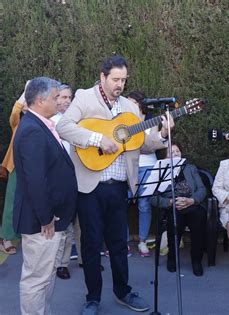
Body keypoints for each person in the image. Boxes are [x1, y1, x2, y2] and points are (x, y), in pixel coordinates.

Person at [56, 55, 173, 314]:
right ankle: (93, 298)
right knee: (91, 242)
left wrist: (163, 134)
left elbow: (140, 142)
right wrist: (97, 139)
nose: (120, 84)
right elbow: (65, 126)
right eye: (116, 79)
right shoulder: (84, 98)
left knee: (119, 244)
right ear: (103, 77)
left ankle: (123, 291)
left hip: (119, 186)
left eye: (123, 80)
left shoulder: (130, 109)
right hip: (90, 186)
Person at [13, 77, 78, 315]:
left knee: (45, 278)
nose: (59, 102)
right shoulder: (32, 129)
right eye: (55, 98)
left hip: (48, 221)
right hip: (42, 223)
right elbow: (35, 181)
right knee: (36, 280)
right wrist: (46, 218)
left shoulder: (38, 125)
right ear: (40, 100)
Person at [151, 144, 207, 276]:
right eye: (172, 152)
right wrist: (170, 202)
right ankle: (172, 257)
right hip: (173, 206)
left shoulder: (190, 168)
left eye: (177, 151)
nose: (176, 153)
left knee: (198, 218)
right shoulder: (160, 171)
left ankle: (196, 260)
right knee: (175, 222)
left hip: (192, 204)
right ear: (165, 157)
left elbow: (202, 190)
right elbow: (152, 198)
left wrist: (191, 200)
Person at [51, 83, 82, 280]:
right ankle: (61, 264)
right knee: (63, 226)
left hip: (80, 178)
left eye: (69, 97)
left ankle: (84, 258)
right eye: (62, 97)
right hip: (61, 180)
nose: (66, 101)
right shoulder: (51, 123)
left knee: (82, 224)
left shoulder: (77, 120)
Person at [127, 90, 159, 257]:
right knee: (120, 204)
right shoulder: (123, 120)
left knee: (144, 205)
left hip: (147, 166)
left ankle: (142, 241)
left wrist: (136, 147)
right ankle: (122, 241)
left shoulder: (151, 121)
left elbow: (152, 145)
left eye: (131, 102)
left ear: (140, 104)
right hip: (127, 167)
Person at [0, 81, 29, 255]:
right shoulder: (17, 123)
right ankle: (6, 238)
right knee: (12, 202)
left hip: (34, 168)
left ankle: (21, 233)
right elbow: (14, 113)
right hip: (16, 167)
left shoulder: (44, 121)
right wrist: (25, 92)